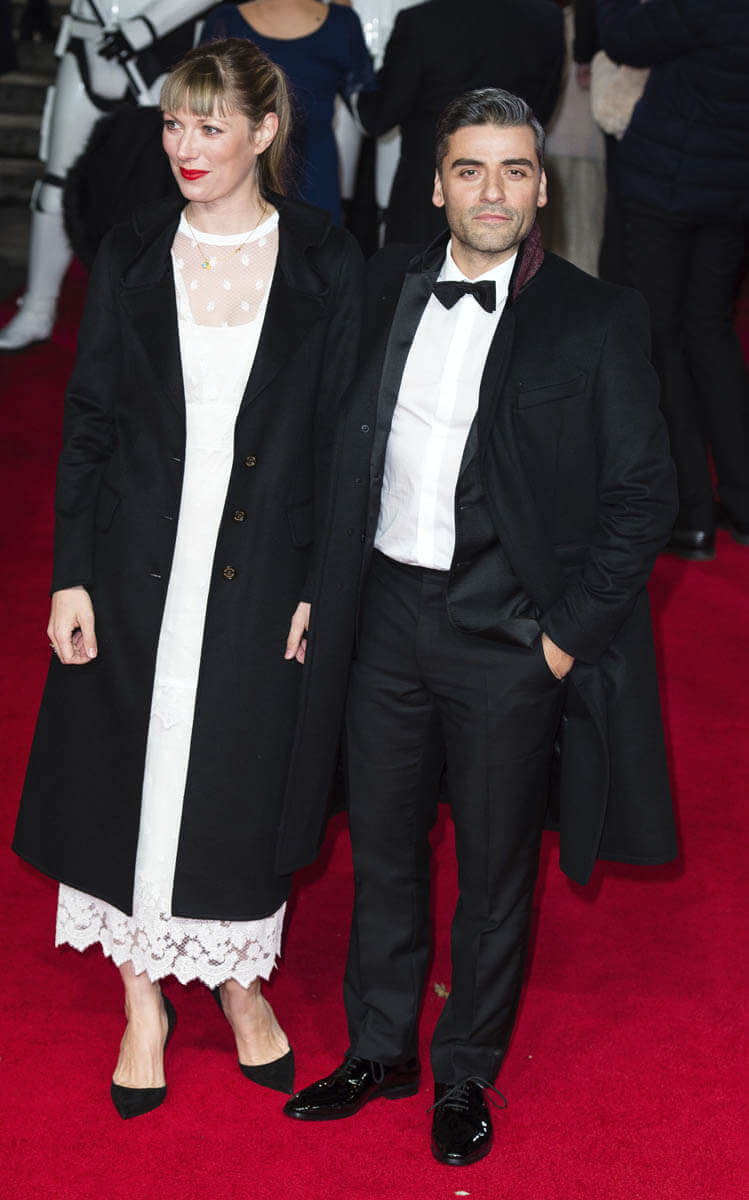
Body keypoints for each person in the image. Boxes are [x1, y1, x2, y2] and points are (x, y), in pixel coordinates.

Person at [280, 87, 679, 1166]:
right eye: (469, 170)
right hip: (382, 618)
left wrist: (561, 638)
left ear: (541, 189)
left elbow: (643, 494)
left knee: (496, 870)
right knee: (384, 848)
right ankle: (380, 1050)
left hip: (507, 631)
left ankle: (463, 1070)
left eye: (513, 170)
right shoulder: (382, 285)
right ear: (435, 185)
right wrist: (319, 585)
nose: (491, 192)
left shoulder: (595, 317)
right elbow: (333, 443)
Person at [13, 36, 362, 1120]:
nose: (185, 146)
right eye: (174, 123)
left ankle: (238, 980)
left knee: (238, 772)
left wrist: (320, 584)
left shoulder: (324, 259)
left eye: (211, 125)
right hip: (133, 562)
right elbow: (89, 421)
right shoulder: (131, 247)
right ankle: (142, 1003)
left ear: (266, 131)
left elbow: (342, 439)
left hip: (261, 563)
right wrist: (71, 574)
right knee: (131, 765)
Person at [598, 0, 749, 559]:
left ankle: (690, 514)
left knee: (661, 340)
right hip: (731, 187)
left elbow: (623, 38)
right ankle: (742, 501)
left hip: (667, 185)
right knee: (711, 332)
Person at [0, 0, 214, 353]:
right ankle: (38, 306)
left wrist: (147, 27)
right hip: (89, 41)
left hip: (160, 51)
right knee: (55, 188)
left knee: (166, 189)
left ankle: (167, 316)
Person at [355, 0, 565, 243]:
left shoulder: (421, 21)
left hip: (431, 203)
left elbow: (377, 116)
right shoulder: (547, 17)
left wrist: (349, 71)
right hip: (513, 201)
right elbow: (543, 112)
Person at [199, 0, 374, 223]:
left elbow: (200, 106)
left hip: (254, 173)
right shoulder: (342, 22)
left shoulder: (225, 20)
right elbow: (370, 110)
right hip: (302, 174)